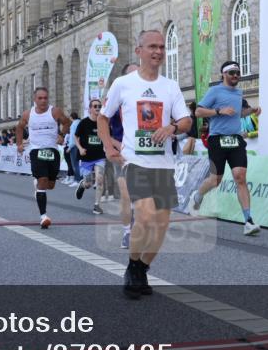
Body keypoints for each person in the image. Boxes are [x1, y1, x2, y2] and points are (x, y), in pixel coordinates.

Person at [99, 30, 191, 299]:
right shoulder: (123, 84)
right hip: (135, 161)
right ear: (139, 51)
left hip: (163, 164)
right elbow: (103, 117)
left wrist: (171, 127)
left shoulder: (170, 86)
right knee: (146, 215)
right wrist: (107, 144)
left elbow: (186, 121)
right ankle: (133, 266)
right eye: (152, 46)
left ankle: (140, 267)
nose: (158, 51)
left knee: (161, 225)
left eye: (162, 47)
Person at [189, 60, 262, 236]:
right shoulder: (214, 91)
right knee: (216, 180)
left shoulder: (239, 92)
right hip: (217, 140)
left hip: (235, 139)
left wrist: (252, 111)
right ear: (223, 74)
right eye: (232, 73)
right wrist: (218, 111)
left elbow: (239, 112)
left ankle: (248, 221)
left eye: (238, 72)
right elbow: (198, 112)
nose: (235, 76)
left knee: (240, 177)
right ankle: (197, 196)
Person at [16, 87, 72, 229]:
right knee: (42, 181)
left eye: (45, 98)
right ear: (35, 99)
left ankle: (39, 187)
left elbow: (67, 122)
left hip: (52, 150)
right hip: (36, 150)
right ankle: (43, 216)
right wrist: (19, 144)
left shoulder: (55, 111)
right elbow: (19, 127)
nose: (43, 101)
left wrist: (61, 134)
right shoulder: (28, 114)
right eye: (40, 98)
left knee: (50, 185)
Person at [108, 62, 139, 248]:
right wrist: (114, 145)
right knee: (127, 194)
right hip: (122, 153)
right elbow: (102, 125)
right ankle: (128, 232)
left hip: (146, 153)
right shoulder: (115, 98)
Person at [74, 99, 107, 215]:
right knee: (88, 183)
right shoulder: (83, 123)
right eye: (95, 106)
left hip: (100, 156)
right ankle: (82, 185)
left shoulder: (104, 122)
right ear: (90, 109)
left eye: (99, 106)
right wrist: (80, 148)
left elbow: (108, 137)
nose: (97, 108)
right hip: (86, 157)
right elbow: (76, 137)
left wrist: (106, 147)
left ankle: (97, 205)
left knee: (99, 179)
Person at [65, 112, 82, 187]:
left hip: (74, 145)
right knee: (77, 163)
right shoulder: (79, 123)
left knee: (74, 164)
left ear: (71, 117)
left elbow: (73, 137)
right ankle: (78, 179)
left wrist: (70, 147)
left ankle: (77, 180)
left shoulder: (73, 125)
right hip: (79, 145)